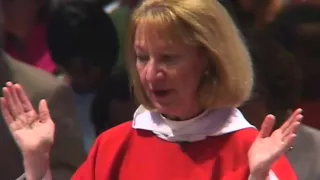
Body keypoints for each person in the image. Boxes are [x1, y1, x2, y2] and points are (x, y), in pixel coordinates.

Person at [1, 0, 302, 180]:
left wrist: (259, 176)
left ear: (209, 62)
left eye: (168, 58)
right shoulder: (114, 145)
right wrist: (37, 162)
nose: (151, 73)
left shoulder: (249, 149)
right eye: (143, 57)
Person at [47, 1, 132, 152]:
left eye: (93, 65)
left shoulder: (128, 97)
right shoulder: (53, 101)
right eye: (78, 68)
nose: (88, 75)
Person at [240, 30, 320, 180]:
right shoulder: (217, 147)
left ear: (275, 98)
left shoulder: (316, 152)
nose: (236, 110)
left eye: (247, 99)